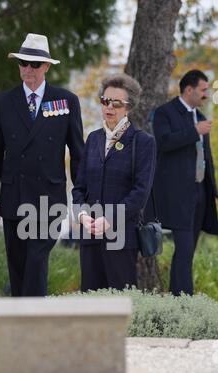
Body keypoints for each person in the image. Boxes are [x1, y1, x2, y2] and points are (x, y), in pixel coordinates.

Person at [0, 33, 84, 296]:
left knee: (36, 261)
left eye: (34, 64)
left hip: (48, 199)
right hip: (14, 197)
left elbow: (78, 153)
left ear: (47, 66)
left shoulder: (66, 101)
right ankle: (21, 324)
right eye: (23, 63)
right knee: (17, 267)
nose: (28, 69)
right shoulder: (4, 102)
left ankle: (34, 325)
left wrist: (82, 199)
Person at [72, 74, 156, 292]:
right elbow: (79, 187)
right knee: (90, 305)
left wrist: (109, 220)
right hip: (90, 236)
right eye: (105, 101)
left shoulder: (143, 142)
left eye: (116, 103)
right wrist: (82, 215)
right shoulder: (93, 139)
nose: (109, 107)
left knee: (120, 305)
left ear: (129, 107)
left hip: (121, 238)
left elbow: (140, 194)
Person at [152, 69, 218, 296]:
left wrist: (214, 189)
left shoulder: (200, 118)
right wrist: (194, 132)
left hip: (201, 192)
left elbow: (206, 157)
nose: (206, 95)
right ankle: (183, 301)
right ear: (188, 89)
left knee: (188, 251)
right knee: (184, 247)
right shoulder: (165, 113)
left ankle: (178, 298)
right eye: (203, 90)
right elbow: (163, 143)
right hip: (178, 195)